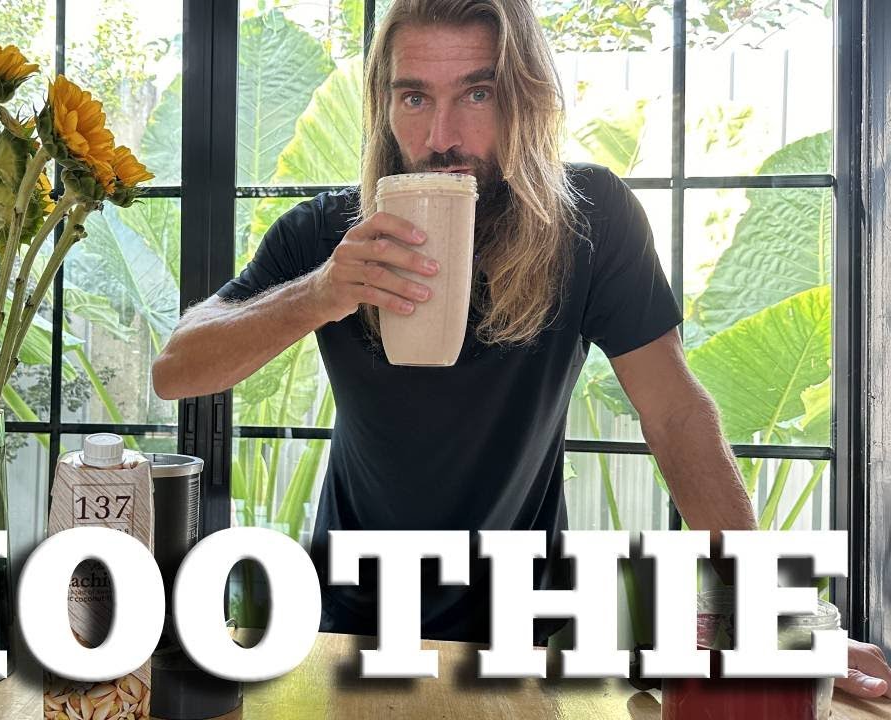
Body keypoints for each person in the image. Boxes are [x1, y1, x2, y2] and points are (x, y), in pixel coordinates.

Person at [151, 0, 891, 698]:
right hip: (349, 625)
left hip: (522, 632)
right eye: (414, 97)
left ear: (524, 100)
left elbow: (675, 415)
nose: (442, 135)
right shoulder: (329, 234)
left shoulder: (591, 219)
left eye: (477, 94)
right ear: (384, 106)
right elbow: (177, 369)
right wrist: (321, 293)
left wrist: (773, 617)